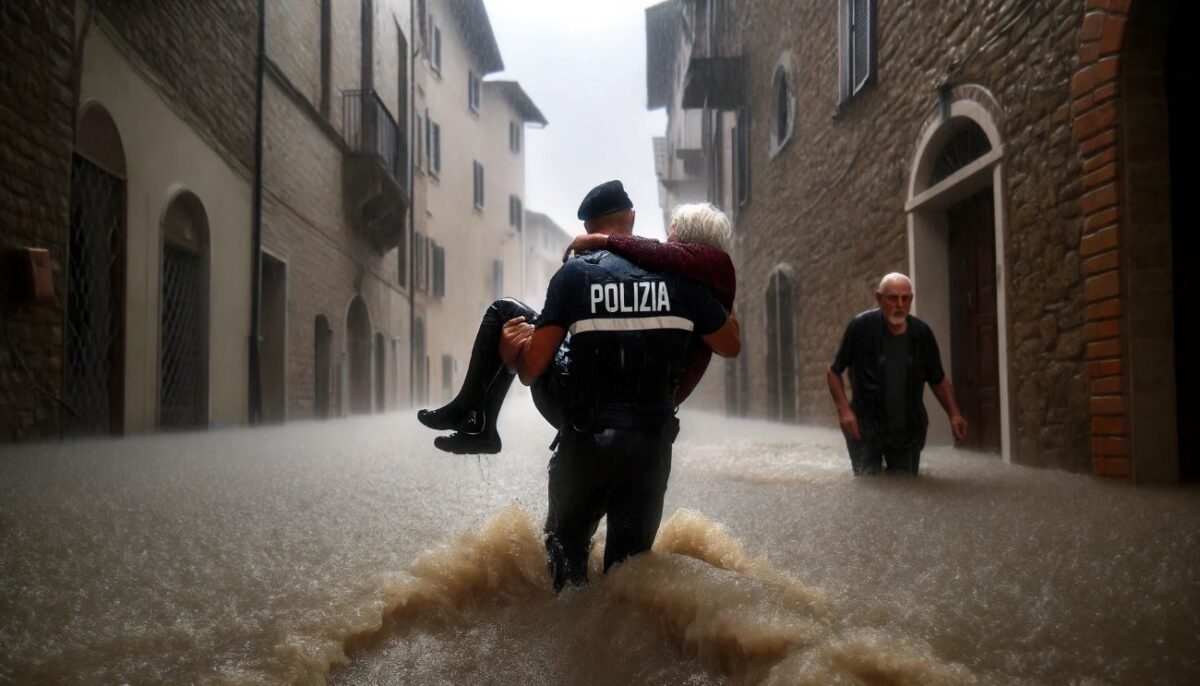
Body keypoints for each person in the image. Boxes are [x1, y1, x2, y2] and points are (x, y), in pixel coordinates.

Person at [499, 180, 740, 591]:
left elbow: (531, 369)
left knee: (565, 568)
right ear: (632, 219)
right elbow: (731, 345)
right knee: (628, 582)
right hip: (649, 451)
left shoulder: (574, 275)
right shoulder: (689, 287)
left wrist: (510, 355)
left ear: (590, 226)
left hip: (585, 444)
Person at [416, 198, 736, 453]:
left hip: (591, 409)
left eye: (672, 237)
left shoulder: (695, 282)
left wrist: (602, 241)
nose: (665, 244)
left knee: (505, 311)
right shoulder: (694, 286)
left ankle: (475, 417)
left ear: (688, 244)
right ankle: (476, 417)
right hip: (643, 417)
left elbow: (531, 372)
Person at [826, 272, 967, 476]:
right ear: (879, 298)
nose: (899, 304)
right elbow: (833, 372)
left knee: (905, 488)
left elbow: (938, 379)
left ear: (911, 299)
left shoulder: (922, 334)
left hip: (908, 430)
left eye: (905, 298)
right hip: (865, 428)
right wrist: (844, 411)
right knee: (868, 489)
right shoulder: (860, 328)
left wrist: (954, 414)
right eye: (893, 298)